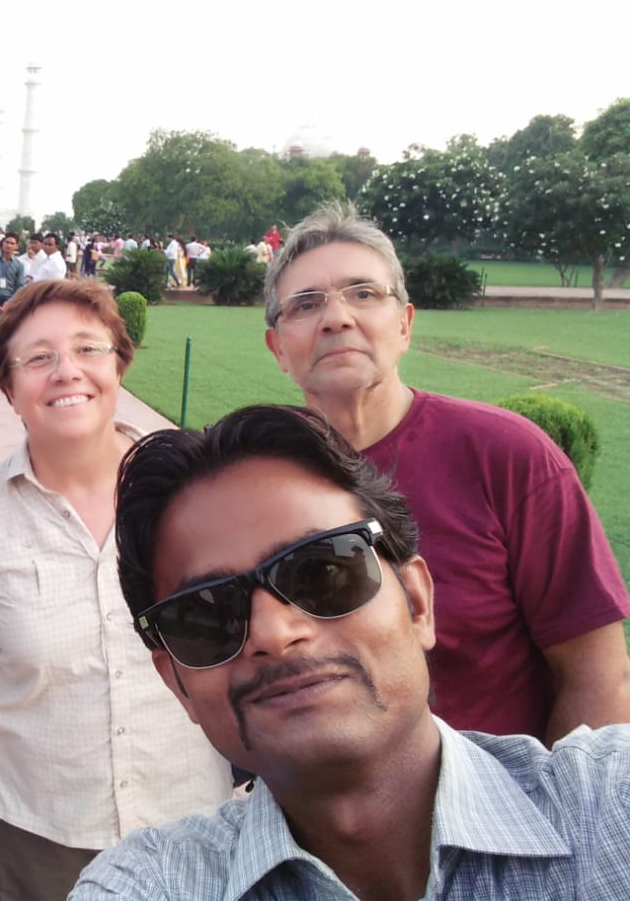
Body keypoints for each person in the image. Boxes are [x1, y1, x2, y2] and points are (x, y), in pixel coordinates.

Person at [73, 405, 630, 900]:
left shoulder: (607, 803)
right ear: (178, 684)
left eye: (323, 571)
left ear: (417, 603)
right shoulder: (154, 883)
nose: (273, 632)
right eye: (207, 614)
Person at [263, 202, 630, 741]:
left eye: (364, 294)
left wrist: (549, 793)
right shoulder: (259, 481)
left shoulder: (508, 456)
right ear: (278, 348)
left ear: (404, 325)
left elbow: (598, 675)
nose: (337, 318)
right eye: (306, 303)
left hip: (500, 785)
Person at [0, 280, 233, 901]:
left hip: (192, 817)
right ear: (9, 388)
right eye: (38, 358)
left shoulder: (195, 493)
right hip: (41, 835)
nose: (66, 371)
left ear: (119, 364)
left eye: (88, 349)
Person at [0, 232, 26, 337]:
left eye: (12, 243)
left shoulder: (19, 265)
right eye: (7, 242)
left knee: (8, 335)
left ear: (16, 246)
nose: (9, 245)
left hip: (10, 303)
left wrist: (10, 302)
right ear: (2, 243)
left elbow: (20, 286)